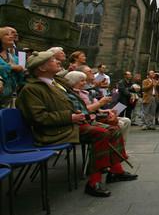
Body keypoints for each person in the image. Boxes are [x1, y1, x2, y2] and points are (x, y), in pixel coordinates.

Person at [16, 51, 137, 197]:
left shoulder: (56, 83)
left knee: (114, 129)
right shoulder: (31, 89)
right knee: (101, 133)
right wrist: (71, 117)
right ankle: (94, 182)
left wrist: (96, 113)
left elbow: (75, 103)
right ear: (42, 68)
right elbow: (38, 118)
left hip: (72, 123)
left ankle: (116, 171)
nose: (58, 62)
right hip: (56, 130)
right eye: (53, 60)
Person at [0, 27, 25, 108]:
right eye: (7, 34)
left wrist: (24, 72)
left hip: (7, 100)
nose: (12, 36)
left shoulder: (15, 58)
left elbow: (20, 79)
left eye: (13, 33)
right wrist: (11, 67)